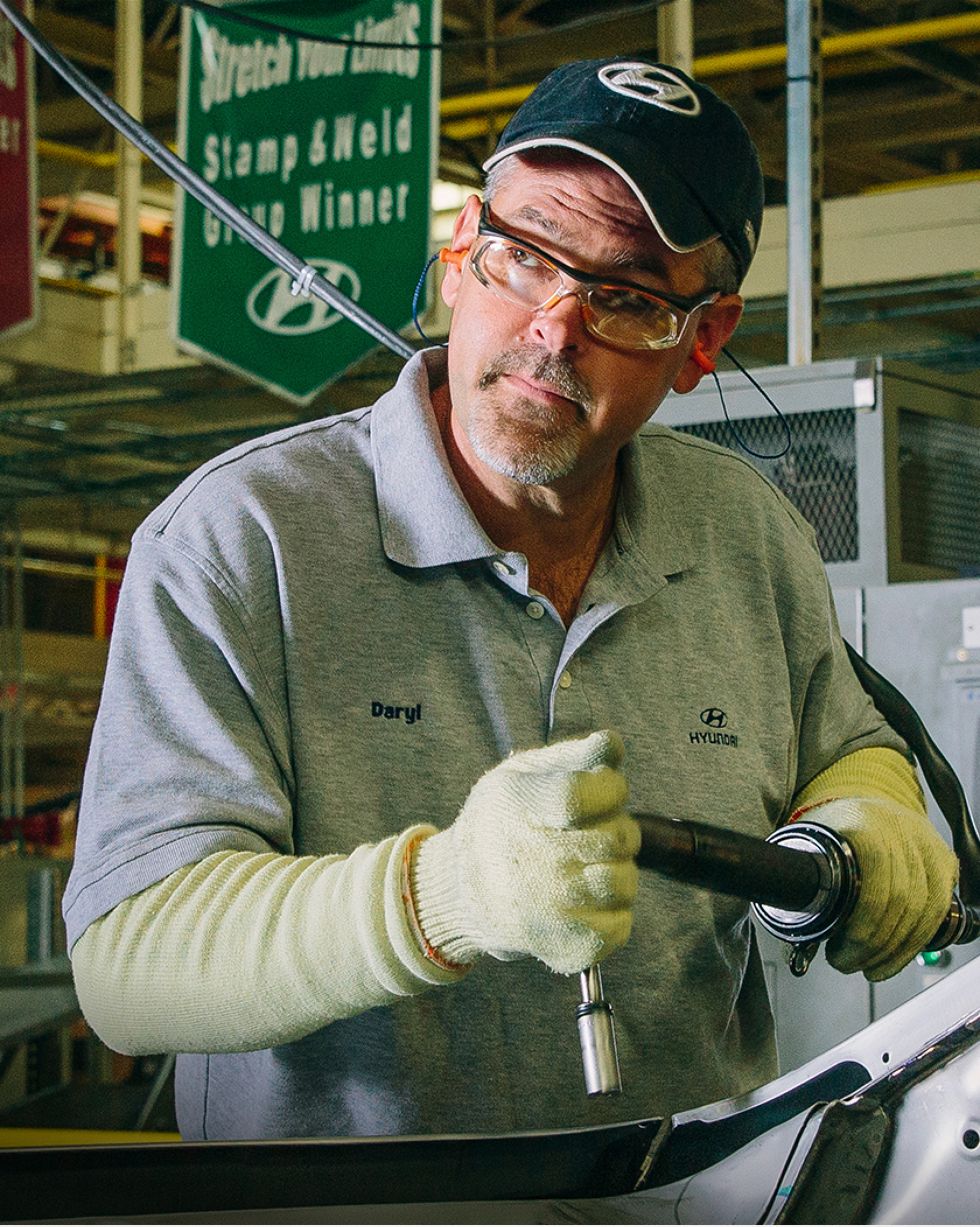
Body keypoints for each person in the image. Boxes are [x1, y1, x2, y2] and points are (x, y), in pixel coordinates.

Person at [64, 58, 958, 1142]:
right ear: (456, 260)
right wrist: (444, 897)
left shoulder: (743, 535)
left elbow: (843, 741)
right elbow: (128, 960)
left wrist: (866, 812)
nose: (552, 325)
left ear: (702, 341)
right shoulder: (242, 541)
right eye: (524, 257)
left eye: (624, 297)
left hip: (688, 1204)